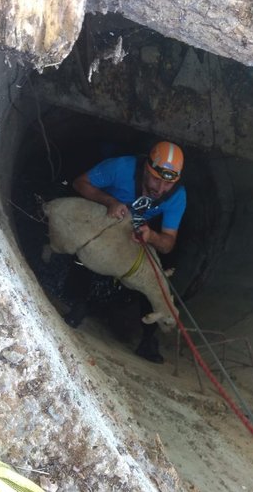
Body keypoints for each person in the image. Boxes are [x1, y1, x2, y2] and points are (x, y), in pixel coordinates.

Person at [63, 141, 187, 363]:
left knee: (156, 277)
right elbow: (79, 183)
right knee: (88, 253)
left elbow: (168, 243)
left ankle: (147, 339)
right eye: (155, 180)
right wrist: (110, 201)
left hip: (140, 228)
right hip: (105, 216)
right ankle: (77, 303)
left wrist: (151, 236)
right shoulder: (121, 168)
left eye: (166, 185)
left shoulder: (177, 196)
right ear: (146, 170)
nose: (159, 189)